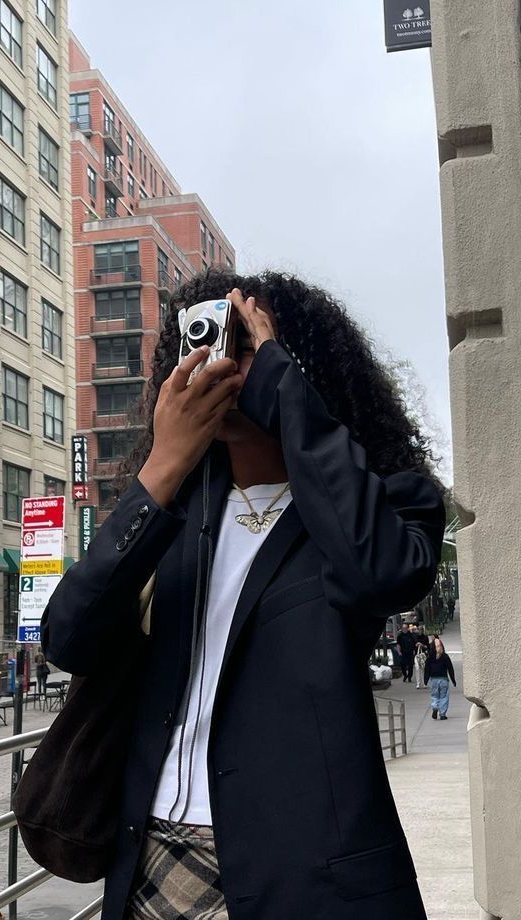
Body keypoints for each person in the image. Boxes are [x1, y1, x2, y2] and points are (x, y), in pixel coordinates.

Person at [42, 270, 446, 920]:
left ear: (296, 364)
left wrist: (286, 392)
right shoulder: (172, 517)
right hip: (154, 864)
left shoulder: (379, 506)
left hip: (308, 878)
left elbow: (386, 573)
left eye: (243, 344)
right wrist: (161, 468)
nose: (218, 361)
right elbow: (69, 637)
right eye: (200, 343)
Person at [424, 637, 457, 720]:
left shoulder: (430, 657)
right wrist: (453, 680)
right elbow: (450, 668)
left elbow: (427, 669)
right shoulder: (445, 656)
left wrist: (425, 680)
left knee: (435, 695)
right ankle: (442, 714)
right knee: (444, 696)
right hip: (443, 679)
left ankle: (435, 708)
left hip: (434, 679)